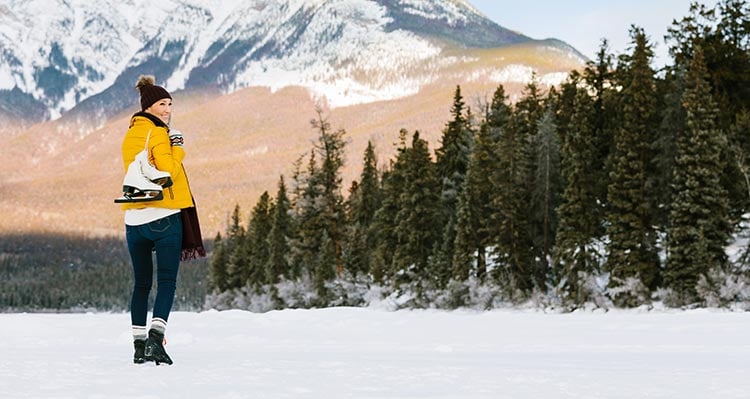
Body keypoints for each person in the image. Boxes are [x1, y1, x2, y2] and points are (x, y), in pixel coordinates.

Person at [121, 75, 193, 365]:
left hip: (134, 219)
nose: (167, 109)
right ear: (149, 106)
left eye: (170, 104)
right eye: (162, 103)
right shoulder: (160, 133)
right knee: (166, 282)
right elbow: (168, 171)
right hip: (163, 215)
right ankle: (155, 339)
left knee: (141, 284)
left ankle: (139, 346)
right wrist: (177, 145)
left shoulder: (131, 133)